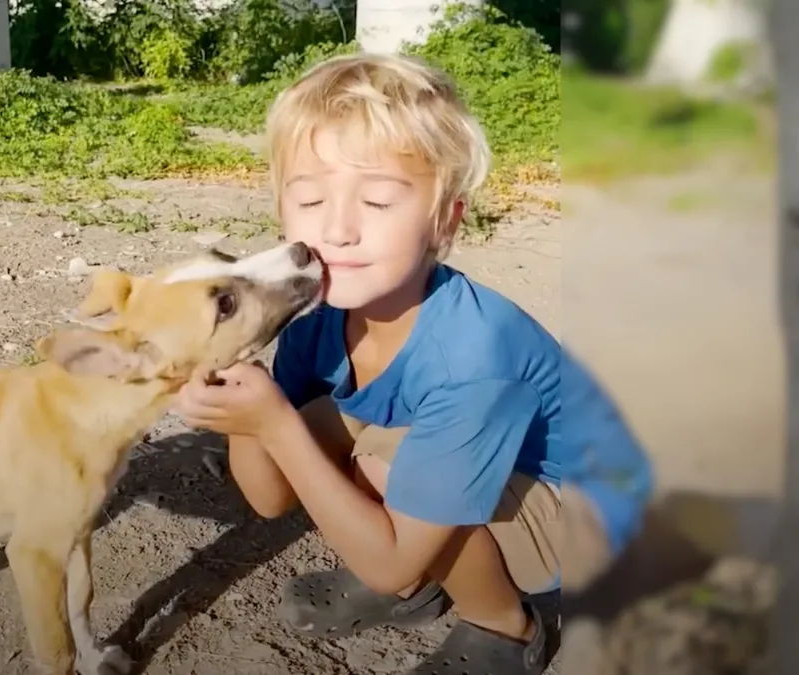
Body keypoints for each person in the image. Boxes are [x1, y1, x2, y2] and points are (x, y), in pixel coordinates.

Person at [175, 52, 654, 674]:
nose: (339, 230)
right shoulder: (315, 322)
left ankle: (507, 626)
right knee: (324, 422)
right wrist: (247, 413)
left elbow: (374, 534)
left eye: (377, 202)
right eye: (311, 199)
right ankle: (416, 585)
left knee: (373, 462)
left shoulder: (475, 355)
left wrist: (275, 426)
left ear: (444, 224)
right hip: (469, 474)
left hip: (579, 514)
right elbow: (269, 500)